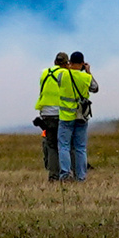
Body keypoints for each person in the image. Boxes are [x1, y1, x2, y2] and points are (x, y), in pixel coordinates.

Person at [53, 49, 98, 182]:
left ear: (70, 62)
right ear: (83, 63)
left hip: (66, 117)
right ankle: (81, 176)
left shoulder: (63, 75)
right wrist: (88, 71)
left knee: (64, 146)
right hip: (81, 117)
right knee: (80, 148)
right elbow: (95, 88)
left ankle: (65, 174)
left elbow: (58, 79)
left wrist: (67, 67)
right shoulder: (86, 77)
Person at [36, 52, 69, 180]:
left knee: (51, 145)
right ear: (66, 63)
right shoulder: (65, 74)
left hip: (46, 114)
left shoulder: (44, 73)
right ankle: (66, 174)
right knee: (64, 144)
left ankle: (53, 175)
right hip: (62, 113)